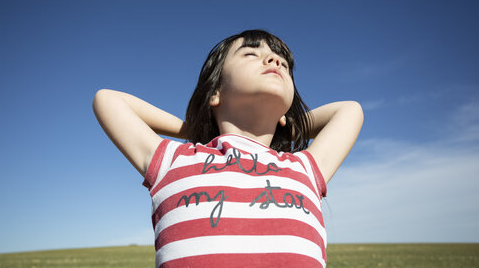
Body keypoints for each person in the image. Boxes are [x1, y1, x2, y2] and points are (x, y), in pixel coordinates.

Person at [92, 29, 364, 267]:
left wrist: (286, 123)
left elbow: (349, 110)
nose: (276, 60)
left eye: (284, 62)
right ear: (215, 93)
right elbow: (108, 100)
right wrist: (195, 127)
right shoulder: (174, 162)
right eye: (250, 54)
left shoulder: (303, 168)